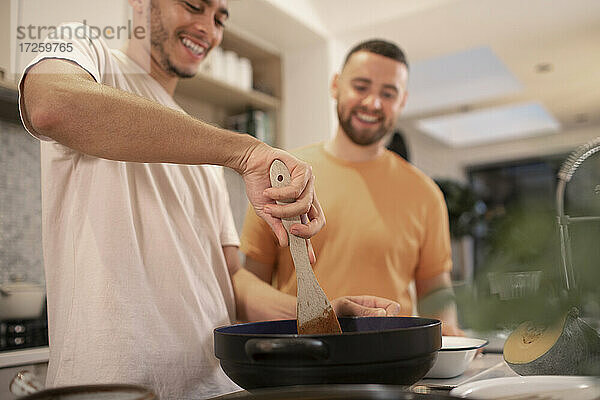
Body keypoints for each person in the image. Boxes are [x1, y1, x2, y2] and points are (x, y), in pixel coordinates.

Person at [17, 2, 401, 399]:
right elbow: (52, 106)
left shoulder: (200, 146)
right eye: (194, 6)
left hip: (214, 388)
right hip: (111, 388)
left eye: (219, 18)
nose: (208, 28)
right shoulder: (85, 52)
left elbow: (230, 280)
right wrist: (246, 152)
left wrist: (315, 313)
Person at [241, 39, 463, 336]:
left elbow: (436, 292)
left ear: (402, 101)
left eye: (388, 93)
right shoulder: (283, 176)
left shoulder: (425, 194)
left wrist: (451, 341)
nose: (373, 103)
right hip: (302, 358)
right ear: (335, 85)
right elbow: (247, 284)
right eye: (361, 87)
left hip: (391, 362)